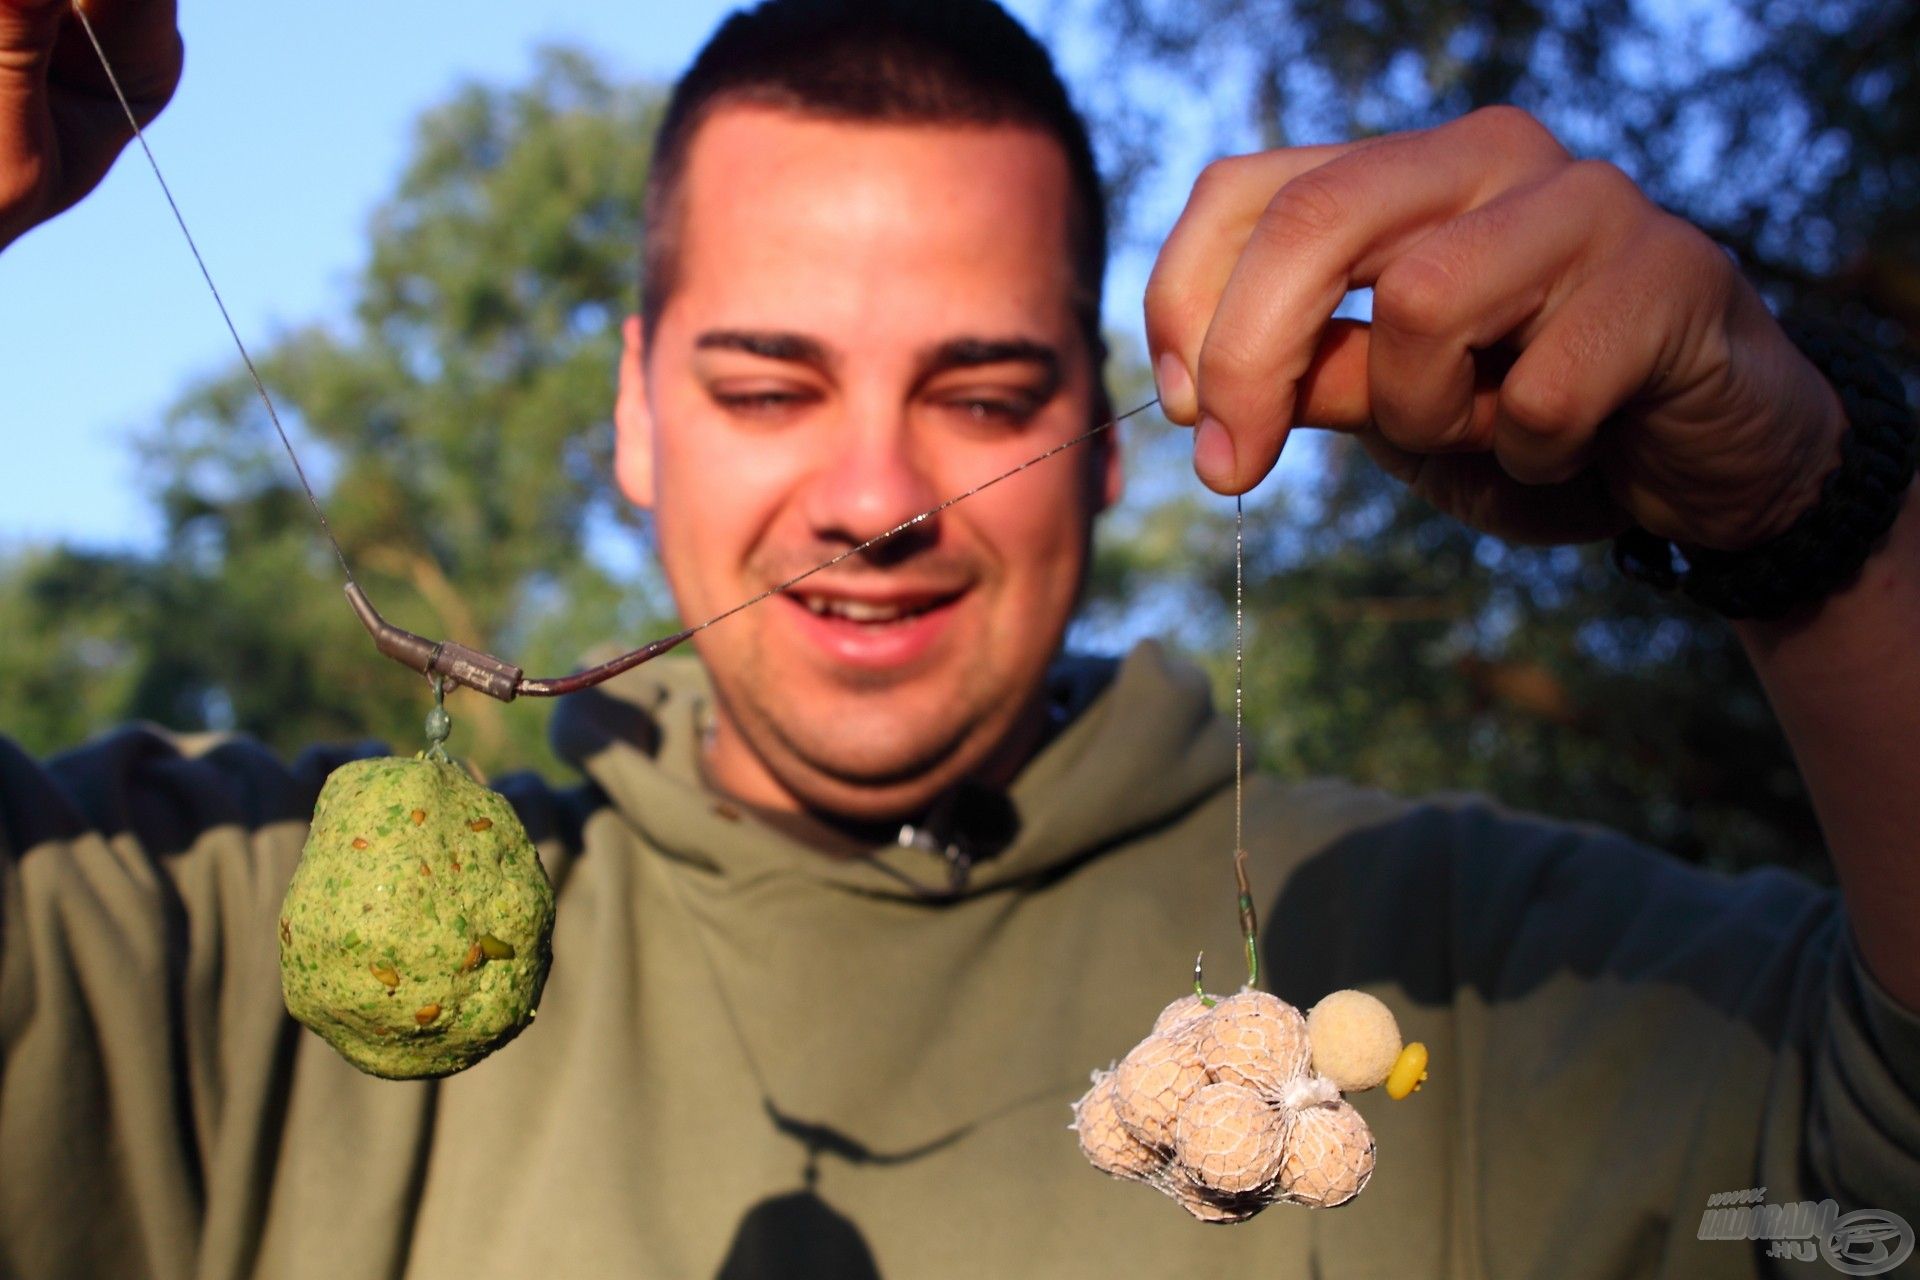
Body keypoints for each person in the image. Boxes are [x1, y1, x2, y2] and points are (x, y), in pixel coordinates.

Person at [1, 0, 1915, 1276]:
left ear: (1105, 445)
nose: (873, 495)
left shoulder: (1427, 971)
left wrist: (1809, 521)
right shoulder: (169, 928)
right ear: (634, 411)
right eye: (769, 386)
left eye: (986, 396)